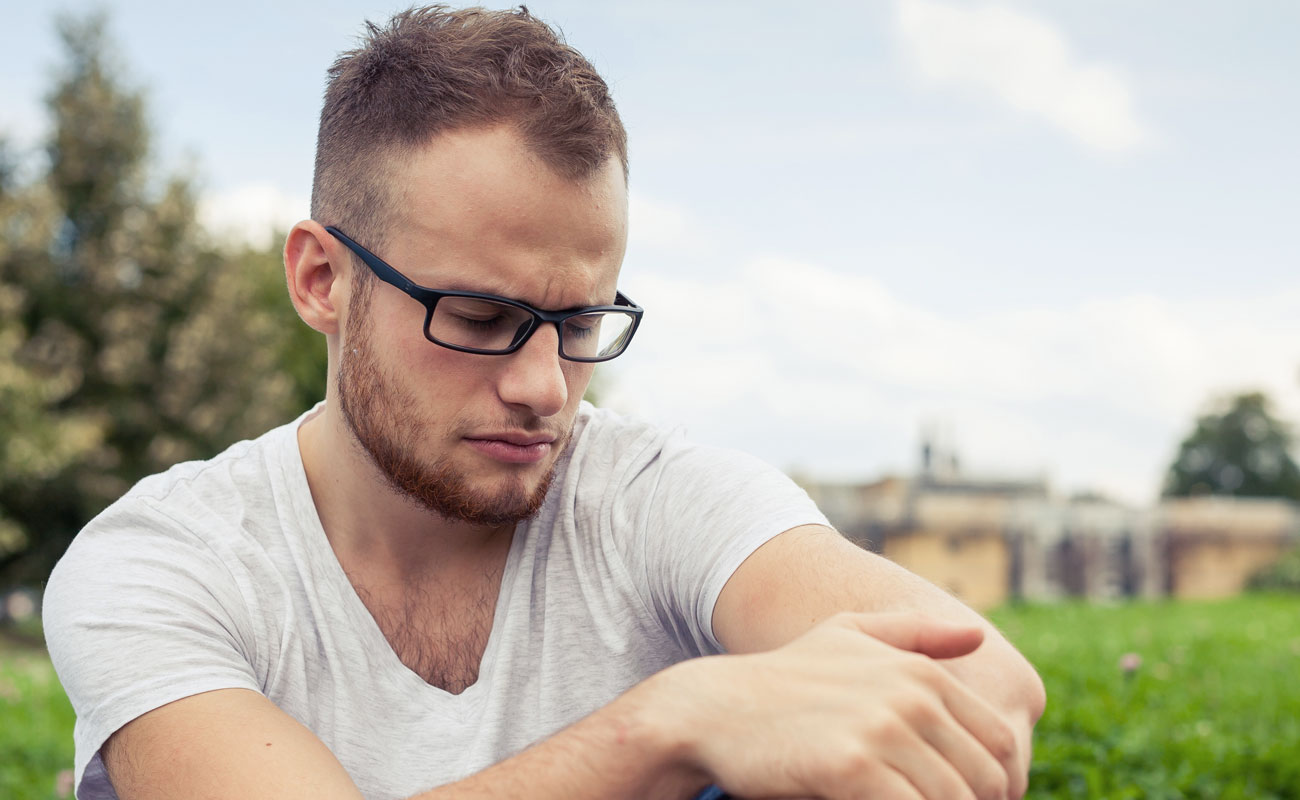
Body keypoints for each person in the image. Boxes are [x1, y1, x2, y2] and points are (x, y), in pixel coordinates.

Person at [44, 6, 1045, 800]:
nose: (542, 386)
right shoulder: (161, 561)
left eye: (579, 322)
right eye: (477, 315)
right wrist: (670, 725)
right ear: (320, 280)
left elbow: (987, 682)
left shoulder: (654, 498)